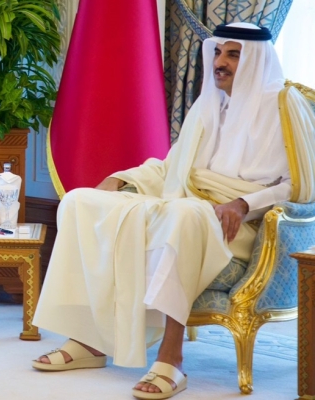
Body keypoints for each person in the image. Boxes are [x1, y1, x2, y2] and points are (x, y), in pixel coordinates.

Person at [31, 22, 315, 399]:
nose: (221, 62)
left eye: (233, 54)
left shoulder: (284, 105)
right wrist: (121, 179)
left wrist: (244, 203)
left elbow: (298, 185)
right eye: (218, 52)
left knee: (184, 215)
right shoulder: (210, 104)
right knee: (81, 201)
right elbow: (172, 167)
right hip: (188, 205)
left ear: (257, 59)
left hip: (241, 226)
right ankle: (89, 339)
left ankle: (171, 357)